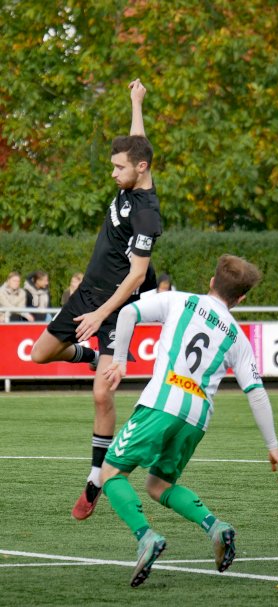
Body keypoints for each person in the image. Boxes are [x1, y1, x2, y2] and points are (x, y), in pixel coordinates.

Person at [100, 254, 278, 588]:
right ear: (240, 298)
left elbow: (128, 311)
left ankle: (146, 538)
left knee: (110, 472)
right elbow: (256, 392)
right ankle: (216, 527)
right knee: (159, 485)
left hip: (161, 401)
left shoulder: (179, 301)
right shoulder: (238, 338)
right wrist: (273, 446)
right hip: (198, 416)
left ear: (212, 282)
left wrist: (119, 362)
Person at [30, 79, 162, 521]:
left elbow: (139, 276)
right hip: (88, 293)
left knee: (102, 396)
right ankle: (89, 354)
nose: (113, 174)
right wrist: (135, 102)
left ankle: (92, 481)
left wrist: (102, 315)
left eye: (118, 168)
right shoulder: (133, 178)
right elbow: (138, 145)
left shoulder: (147, 213)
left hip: (117, 307)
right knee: (38, 354)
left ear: (140, 169)